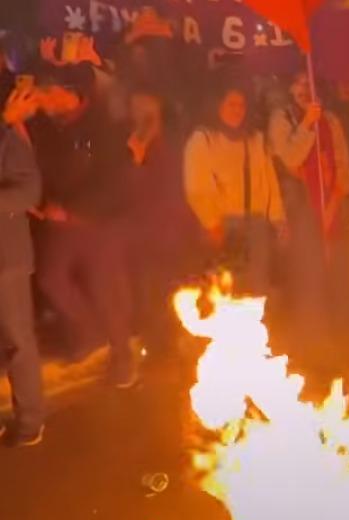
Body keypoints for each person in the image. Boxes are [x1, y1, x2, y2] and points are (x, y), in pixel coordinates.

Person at [28, 65, 137, 387]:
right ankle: (90, 333)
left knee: (107, 289)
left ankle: (122, 355)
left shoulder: (102, 126)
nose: (45, 100)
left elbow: (114, 181)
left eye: (50, 93)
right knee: (51, 278)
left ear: (72, 94)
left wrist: (72, 211)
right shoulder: (46, 126)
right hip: (59, 220)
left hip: (99, 222)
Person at [268, 71, 349, 367]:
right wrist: (306, 124)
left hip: (332, 207)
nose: (304, 89)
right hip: (301, 210)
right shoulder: (283, 119)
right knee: (309, 279)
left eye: (309, 83)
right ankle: (312, 350)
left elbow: (343, 165)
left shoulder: (330, 120)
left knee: (338, 276)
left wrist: (334, 202)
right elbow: (290, 158)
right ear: (290, 88)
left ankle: (343, 345)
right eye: (299, 83)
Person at [119, 85, 200, 361]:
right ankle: (158, 351)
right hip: (144, 235)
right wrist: (136, 160)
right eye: (137, 110)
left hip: (175, 232)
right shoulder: (128, 147)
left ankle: (176, 348)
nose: (142, 116)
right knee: (149, 293)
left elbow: (182, 187)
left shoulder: (174, 144)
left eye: (148, 110)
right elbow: (127, 193)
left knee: (174, 290)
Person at [184, 81, 284, 295]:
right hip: (223, 226)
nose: (237, 110)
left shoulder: (256, 139)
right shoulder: (203, 139)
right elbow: (196, 188)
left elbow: (269, 182)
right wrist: (212, 224)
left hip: (256, 225)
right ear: (218, 105)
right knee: (223, 291)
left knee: (257, 290)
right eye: (231, 104)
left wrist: (278, 219)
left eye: (241, 105)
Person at [0, 88, 45, 446]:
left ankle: (30, 422)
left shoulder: (12, 137)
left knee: (17, 340)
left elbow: (28, 192)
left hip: (6, 258)